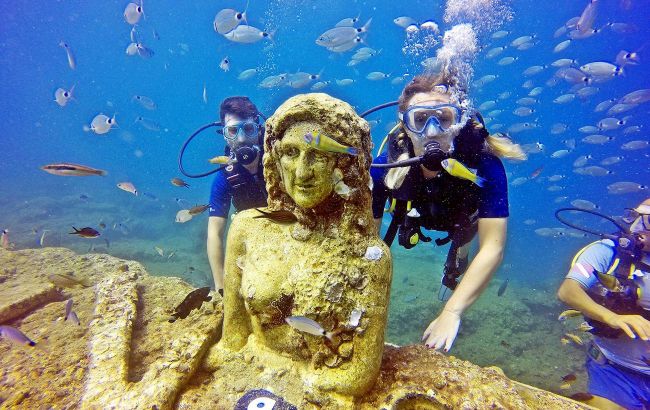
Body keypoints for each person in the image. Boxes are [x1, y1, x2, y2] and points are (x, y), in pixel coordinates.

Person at [205, 93, 391, 407]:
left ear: (341, 163)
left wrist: (291, 384)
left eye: (318, 154)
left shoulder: (371, 257)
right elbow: (233, 338)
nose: (302, 172)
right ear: (275, 158)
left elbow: (359, 375)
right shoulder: (247, 227)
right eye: (291, 153)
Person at [371, 73, 526, 352]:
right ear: (405, 126)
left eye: (443, 118)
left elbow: (493, 247)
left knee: (463, 245)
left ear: (458, 122)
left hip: (461, 222)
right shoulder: (385, 168)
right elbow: (367, 238)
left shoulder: (485, 165)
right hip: (413, 215)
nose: (432, 131)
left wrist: (452, 312)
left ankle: (455, 266)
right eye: (420, 120)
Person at [557, 199, 650, 410]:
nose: (638, 228)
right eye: (634, 217)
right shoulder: (607, 251)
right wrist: (612, 317)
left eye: (649, 221)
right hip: (615, 371)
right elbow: (568, 290)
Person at [207, 96, 268, 296]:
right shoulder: (225, 176)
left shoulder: (281, 157)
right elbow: (214, 233)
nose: (241, 138)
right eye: (233, 130)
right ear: (224, 135)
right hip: (258, 245)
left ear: (258, 128)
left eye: (248, 129)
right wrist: (221, 285)